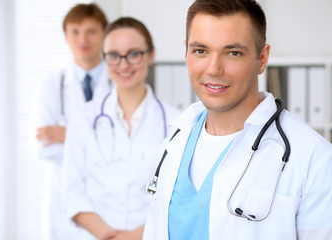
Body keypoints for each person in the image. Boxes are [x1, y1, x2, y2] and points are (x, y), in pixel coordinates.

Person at [143, 0, 332, 239]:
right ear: (186, 52)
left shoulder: (315, 160)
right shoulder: (174, 140)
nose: (213, 69)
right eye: (200, 51)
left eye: (233, 53)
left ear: (262, 59)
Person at [62, 17, 180, 240]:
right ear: (104, 59)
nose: (124, 65)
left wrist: (134, 237)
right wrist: (111, 237)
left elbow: (176, 199)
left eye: (134, 54)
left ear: (150, 55)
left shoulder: (176, 124)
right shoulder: (83, 118)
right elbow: (72, 193)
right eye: (114, 56)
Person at [35, 3, 110, 240]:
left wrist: (68, 135)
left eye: (91, 31)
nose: (82, 39)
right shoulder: (51, 85)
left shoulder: (120, 83)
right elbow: (42, 148)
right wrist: (101, 141)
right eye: (75, 31)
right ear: (66, 36)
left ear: (104, 34)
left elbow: (126, 143)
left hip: (109, 197)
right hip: (62, 199)